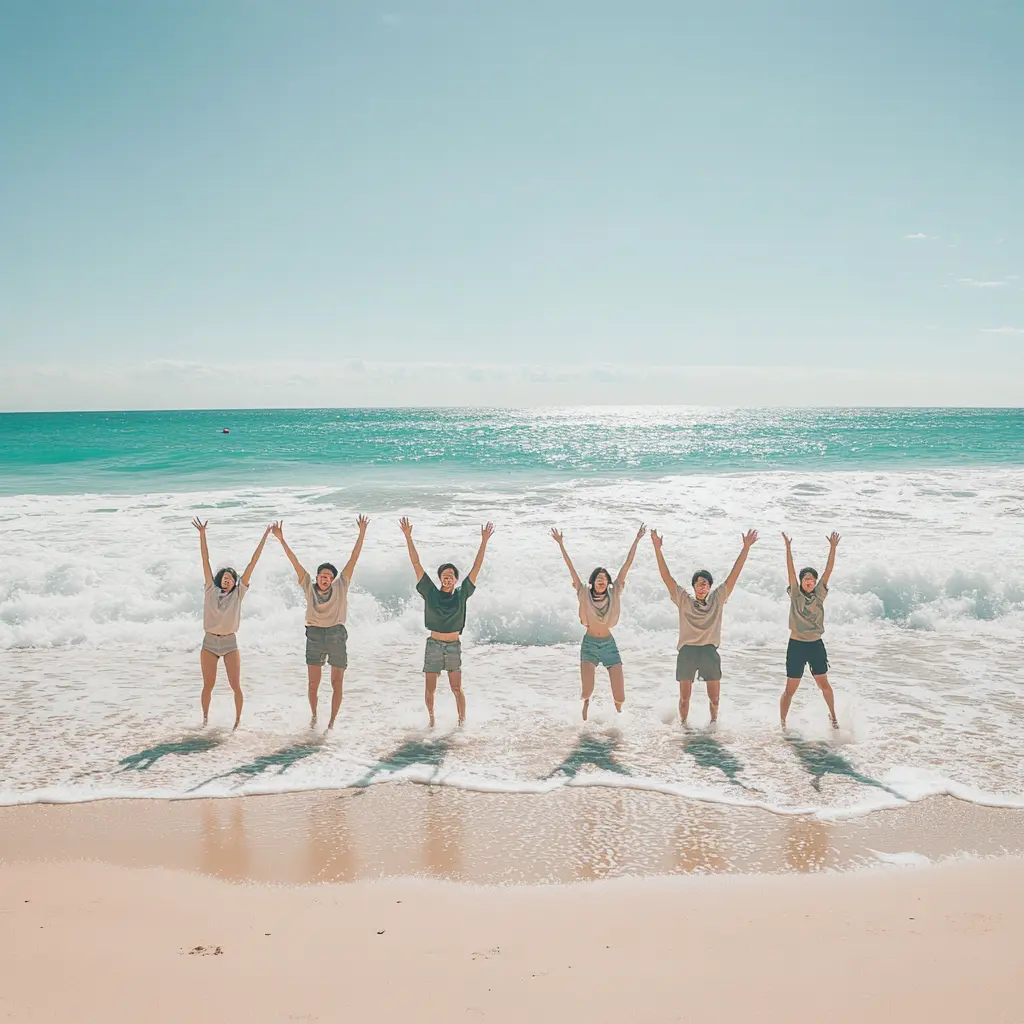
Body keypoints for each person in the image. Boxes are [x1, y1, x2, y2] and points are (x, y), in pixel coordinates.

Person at [651, 528, 758, 725]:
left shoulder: (717, 599)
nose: (702, 587)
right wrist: (657, 549)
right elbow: (666, 577)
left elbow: (734, 575)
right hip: (688, 652)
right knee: (684, 699)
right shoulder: (683, 599)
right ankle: (683, 728)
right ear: (693, 586)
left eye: (705, 584)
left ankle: (713, 725)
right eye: (699, 584)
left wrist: (746, 548)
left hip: (709, 651)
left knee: (715, 699)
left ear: (710, 587)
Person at [272, 516, 369, 730]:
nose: (324, 579)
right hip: (314, 635)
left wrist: (361, 534)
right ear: (316, 577)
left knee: (336, 683)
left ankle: (332, 723)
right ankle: (315, 718)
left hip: (336, 634)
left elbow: (354, 558)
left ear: (333, 579)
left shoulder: (341, 585)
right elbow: (294, 562)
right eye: (321, 576)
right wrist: (281, 539)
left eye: (328, 577)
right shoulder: (308, 585)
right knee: (313, 683)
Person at [399, 517, 495, 727]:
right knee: (430, 688)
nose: (447, 578)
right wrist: (408, 537)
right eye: (444, 575)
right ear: (440, 577)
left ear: (456, 579)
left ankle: (462, 723)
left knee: (456, 688)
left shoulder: (462, 594)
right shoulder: (430, 592)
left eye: (451, 575)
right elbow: (416, 563)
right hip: (433, 644)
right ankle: (432, 721)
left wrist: (484, 541)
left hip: (453, 645)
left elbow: (477, 566)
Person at [551, 524, 646, 720]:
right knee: (586, 691)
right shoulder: (583, 592)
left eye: (605, 579)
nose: (602, 581)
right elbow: (571, 569)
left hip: (609, 646)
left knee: (620, 696)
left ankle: (620, 721)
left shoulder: (614, 592)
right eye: (598, 579)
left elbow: (627, 565)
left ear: (608, 582)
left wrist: (636, 540)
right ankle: (586, 705)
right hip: (589, 645)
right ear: (592, 581)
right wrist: (561, 544)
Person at [191, 518, 272, 729]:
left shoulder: (238, 593)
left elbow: (253, 563)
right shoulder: (210, 588)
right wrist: (202, 534)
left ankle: (237, 723)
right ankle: (206, 720)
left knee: (235, 685)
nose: (227, 580)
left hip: (229, 644)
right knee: (208, 685)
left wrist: (265, 536)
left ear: (235, 582)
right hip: (209, 643)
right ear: (219, 579)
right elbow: (205, 559)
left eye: (231, 578)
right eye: (225, 577)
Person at [780, 532, 841, 729]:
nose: (809, 581)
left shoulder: (819, 595)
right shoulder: (795, 594)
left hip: (815, 645)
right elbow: (790, 571)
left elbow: (829, 570)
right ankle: (782, 724)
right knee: (790, 688)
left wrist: (833, 548)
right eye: (806, 579)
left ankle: (833, 718)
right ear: (801, 581)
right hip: (796, 645)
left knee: (824, 684)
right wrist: (788, 549)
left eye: (812, 579)